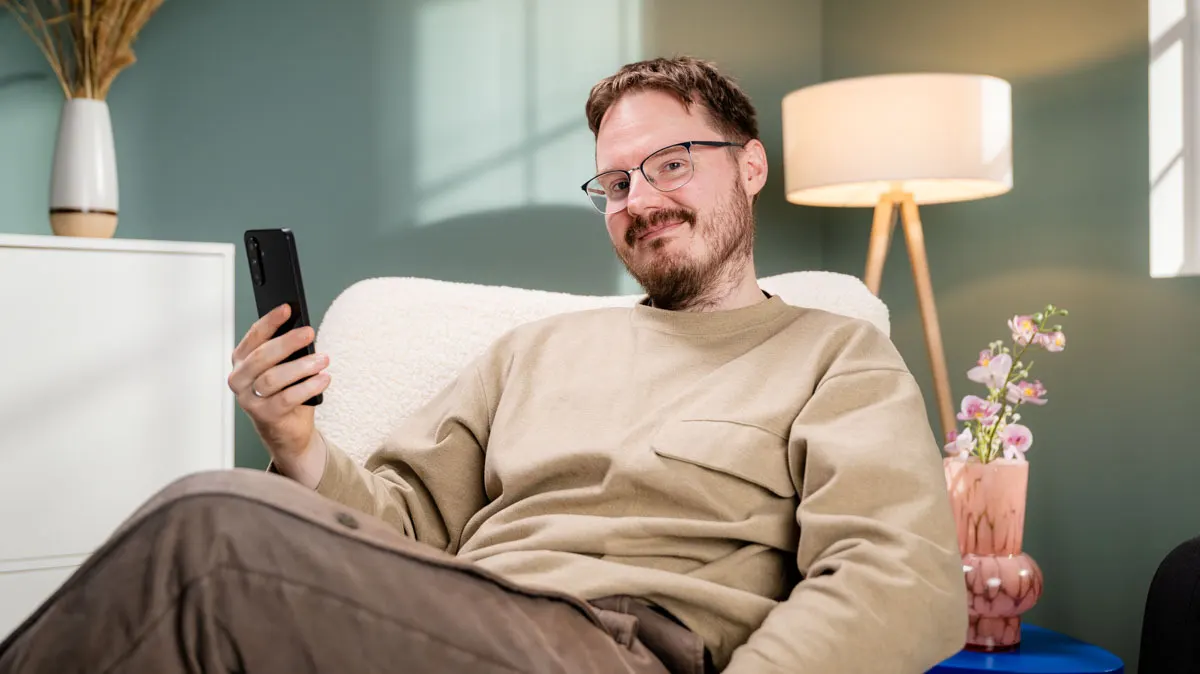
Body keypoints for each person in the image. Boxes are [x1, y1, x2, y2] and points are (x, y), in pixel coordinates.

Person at [0, 56, 967, 673]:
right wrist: (295, 442)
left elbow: (898, 580)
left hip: (621, 645)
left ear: (749, 167)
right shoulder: (535, 353)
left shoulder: (836, 355)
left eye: (673, 162)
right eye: (616, 182)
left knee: (206, 532)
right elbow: (403, 525)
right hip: (464, 620)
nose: (641, 198)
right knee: (213, 539)